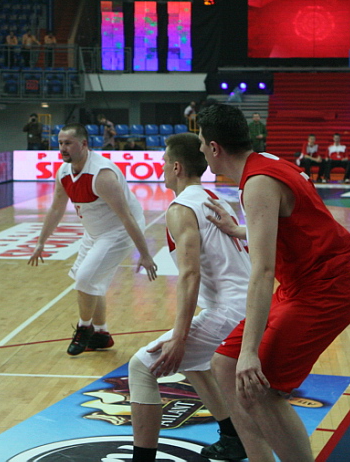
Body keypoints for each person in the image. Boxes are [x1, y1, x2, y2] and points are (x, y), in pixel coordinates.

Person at [196, 102, 350, 462]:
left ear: (215, 148)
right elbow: (292, 223)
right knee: (224, 366)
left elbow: (262, 272)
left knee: (260, 387)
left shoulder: (258, 183)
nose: (200, 150)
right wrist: (239, 229)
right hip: (303, 286)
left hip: (326, 290)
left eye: (202, 143)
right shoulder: (269, 163)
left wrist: (250, 351)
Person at [129, 133, 250, 462]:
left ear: (177, 167)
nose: (162, 169)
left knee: (142, 367)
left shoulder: (181, 208)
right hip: (248, 304)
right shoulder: (215, 198)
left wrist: (179, 337)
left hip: (231, 310)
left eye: (165, 163)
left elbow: (190, 274)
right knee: (195, 364)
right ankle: (233, 437)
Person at [28, 123, 157, 355]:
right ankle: (101, 334)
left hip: (118, 231)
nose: (62, 148)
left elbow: (127, 216)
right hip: (94, 230)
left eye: (68, 143)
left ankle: (84, 329)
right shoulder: (63, 172)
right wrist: (41, 242)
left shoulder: (102, 175)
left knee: (85, 278)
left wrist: (145, 254)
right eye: (60, 143)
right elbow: (56, 208)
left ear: (84, 144)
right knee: (90, 281)